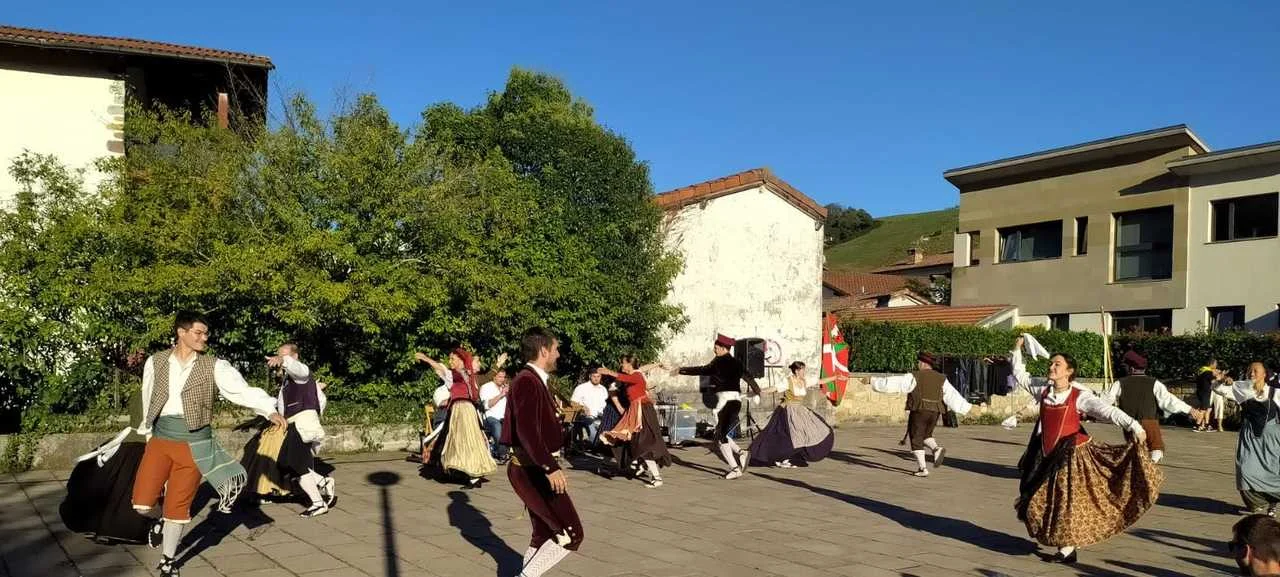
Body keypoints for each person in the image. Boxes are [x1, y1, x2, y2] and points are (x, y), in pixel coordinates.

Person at [131, 312, 287, 577]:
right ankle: (159, 520)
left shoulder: (214, 366)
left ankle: (168, 561)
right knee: (142, 504)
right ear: (181, 332)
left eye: (206, 333)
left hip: (195, 445)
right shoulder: (155, 361)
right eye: (198, 333)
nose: (204, 338)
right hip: (160, 441)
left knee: (178, 507)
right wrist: (147, 433)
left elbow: (241, 390)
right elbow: (148, 396)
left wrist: (268, 409)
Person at [1009, 336, 1160, 565]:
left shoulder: (1079, 396)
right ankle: (1064, 543)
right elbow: (1020, 375)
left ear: (1069, 372)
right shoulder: (1043, 390)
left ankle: (1067, 548)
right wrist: (1017, 348)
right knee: (1041, 497)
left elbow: (1106, 411)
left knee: (1066, 500)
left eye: (1057, 364)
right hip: (1045, 453)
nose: (1052, 367)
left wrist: (1134, 426)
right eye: (1051, 364)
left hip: (1071, 454)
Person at [501, 327, 583, 577]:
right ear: (544, 351)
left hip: (532, 468)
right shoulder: (527, 381)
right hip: (533, 469)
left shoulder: (533, 380)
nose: (558, 354)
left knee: (543, 534)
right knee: (570, 534)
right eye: (556, 349)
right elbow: (527, 431)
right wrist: (550, 467)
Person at [61, 390, 152, 544]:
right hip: (146, 443)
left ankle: (100, 523)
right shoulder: (157, 393)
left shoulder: (140, 392)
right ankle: (119, 526)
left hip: (130, 442)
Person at [870, 352, 979, 477]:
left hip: (920, 410)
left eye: (918, 362)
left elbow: (894, 383)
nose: (918, 364)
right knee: (926, 435)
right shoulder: (941, 378)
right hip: (935, 412)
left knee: (916, 437)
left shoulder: (915, 376)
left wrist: (872, 381)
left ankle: (923, 468)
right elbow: (952, 395)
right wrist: (967, 408)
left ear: (923, 363)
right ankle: (936, 449)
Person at [675, 334, 762, 480]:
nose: (714, 350)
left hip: (726, 403)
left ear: (723, 348)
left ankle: (735, 469)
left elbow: (702, 370)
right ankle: (742, 453)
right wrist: (758, 391)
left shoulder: (719, 362)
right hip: (734, 402)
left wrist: (681, 370)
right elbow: (749, 378)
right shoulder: (737, 363)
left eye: (716, 348)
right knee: (721, 435)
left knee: (721, 438)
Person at [415, 349, 504, 488]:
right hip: (459, 411)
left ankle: (473, 475)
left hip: (465, 411)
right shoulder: (453, 375)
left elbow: (488, 376)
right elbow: (439, 367)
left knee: (467, 442)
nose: (450, 361)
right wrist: (426, 359)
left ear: (461, 360)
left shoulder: (469, 375)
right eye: (450, 359)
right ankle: (469, 475)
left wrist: (498, 364)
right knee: (460, 443)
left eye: (453, 359)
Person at [266, 343, 336, 516]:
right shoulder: (288, 380)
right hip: (293, 424)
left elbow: (300, 371)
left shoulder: (302, 372)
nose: (280, 358)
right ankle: (323, 482)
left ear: (295, 356)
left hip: (302, 424)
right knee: (284, 463)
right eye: (279, 355)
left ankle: (318, 503)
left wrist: (283, 360)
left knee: (295, 464)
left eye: (284, 355)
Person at [1102, 350, 1204, 463]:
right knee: (1156, 448)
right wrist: (1190, 409)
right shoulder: (1154, 383)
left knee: (1136, 450)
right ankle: (1149, 467)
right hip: (1149, 422)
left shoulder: (1119, 383)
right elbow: (1169, 401)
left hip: (1129, 423)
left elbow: (1104, 401)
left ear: (1131, 368)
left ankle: (1142, 467)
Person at [1213, 363, 1280, 514]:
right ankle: (1256, 502)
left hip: (1272, 438)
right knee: (1245, 469)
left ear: (1264, 374)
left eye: (1255, 371)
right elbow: (1218, 389)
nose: (1251, 373)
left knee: (1273, 471)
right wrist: (1222, 381)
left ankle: (1272, 504)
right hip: (1250, 437)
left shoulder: (1275, 392)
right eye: (1249, 370)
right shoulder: (1241, 388)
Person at [748, 361, 837, 468]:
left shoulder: (804, 381)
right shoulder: (788, 381)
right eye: (802, 370)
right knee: (788, 436)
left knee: (816, 430)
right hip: (788, 411)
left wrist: (835, 377)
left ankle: (793, 456)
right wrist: (759, 391)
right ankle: (778, 456)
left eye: (804, 370)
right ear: (796, 371)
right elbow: (774, 388)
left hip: (800, 411)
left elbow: (819, 381)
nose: (804, 372)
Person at [599, 357, 671, 488]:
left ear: (629, 364)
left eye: (623, 363)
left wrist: (608, 372)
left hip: (643, 411)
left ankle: (655, 476)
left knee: (643, 443)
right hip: (635, 411)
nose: (621, 365)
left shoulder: (635, 375)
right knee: (637, 442)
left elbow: (626, 377)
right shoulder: (635, 373)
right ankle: (644, 467)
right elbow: (640, 370)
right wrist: (658, 364)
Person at [479, 369, 512, 464]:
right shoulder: (486, 387)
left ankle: (499, 451)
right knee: (497, 427)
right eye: (500, 377)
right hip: (490, 417)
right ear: (494, 377)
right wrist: (501, 395)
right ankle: (501, 453)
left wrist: (509, 394)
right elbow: (486, 405)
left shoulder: (504, 388)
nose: (502, 379)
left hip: (504, 417)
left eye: (503, 377)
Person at [570, 369, 609, 450]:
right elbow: (573, 403)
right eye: (594, 376)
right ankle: (589, 443)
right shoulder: (581, 388)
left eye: (598, 376)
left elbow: (606, 405)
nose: (596, 378)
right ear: (590, 376)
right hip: (586, 418)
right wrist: (583, 408)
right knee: (595, 439)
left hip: (601, 418)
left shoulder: (603, 389)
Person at [1195, 360, 1228, 432]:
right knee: (1203, 410)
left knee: (1208, 409)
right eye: (1215, 364)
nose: (1216, 366)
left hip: (1201, 391)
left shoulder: (1202, 370)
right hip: (1205, 392)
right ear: (1211, 364)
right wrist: (1221, 378)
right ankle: (1197, 426)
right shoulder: (1208, 372)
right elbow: (1213, 382)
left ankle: (1206, 426)